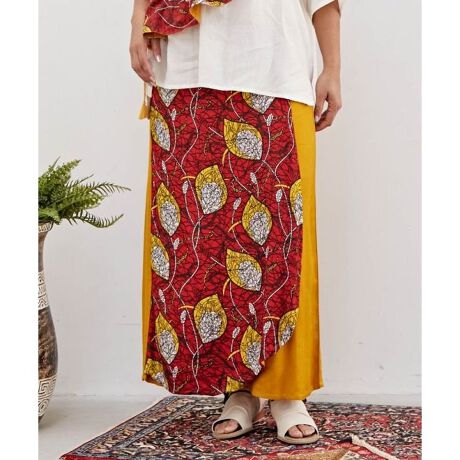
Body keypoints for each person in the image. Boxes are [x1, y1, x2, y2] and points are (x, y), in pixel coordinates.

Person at [130, 0, 343, 445]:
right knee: (205, 245)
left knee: (281, 240)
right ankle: (237, 391)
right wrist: (137, 22)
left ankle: (288, 392)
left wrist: (332, 68)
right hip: (186, 70)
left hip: (274, 67)